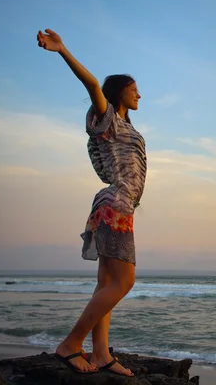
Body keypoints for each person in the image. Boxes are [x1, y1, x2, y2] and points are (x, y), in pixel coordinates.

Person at [37, 28, 147, 376]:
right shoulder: (108, 119)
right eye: (133, 90)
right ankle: (71, 343)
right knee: (124, 282)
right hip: (115, 205)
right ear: (119, 94)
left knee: (106, 284)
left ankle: (101, 353)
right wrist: (63, 50)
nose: (139, 95)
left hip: (115, 205)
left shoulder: (126, 127)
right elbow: (94, 88)